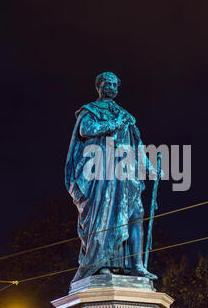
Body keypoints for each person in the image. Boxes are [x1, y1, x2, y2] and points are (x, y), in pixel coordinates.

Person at [65, 71, 157, 283]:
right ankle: (101, 264)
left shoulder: (126, 115)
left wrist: (149, 167)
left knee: (136, 213)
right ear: (99, 86)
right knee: (104, 215)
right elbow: (86, 130)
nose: (113, 88)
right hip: (101, 172)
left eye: (116, 85)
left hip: (124, 171)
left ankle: (137, 266)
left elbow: (137, 144)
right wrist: (113, 124)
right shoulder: (90, 110)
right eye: (108, 84)